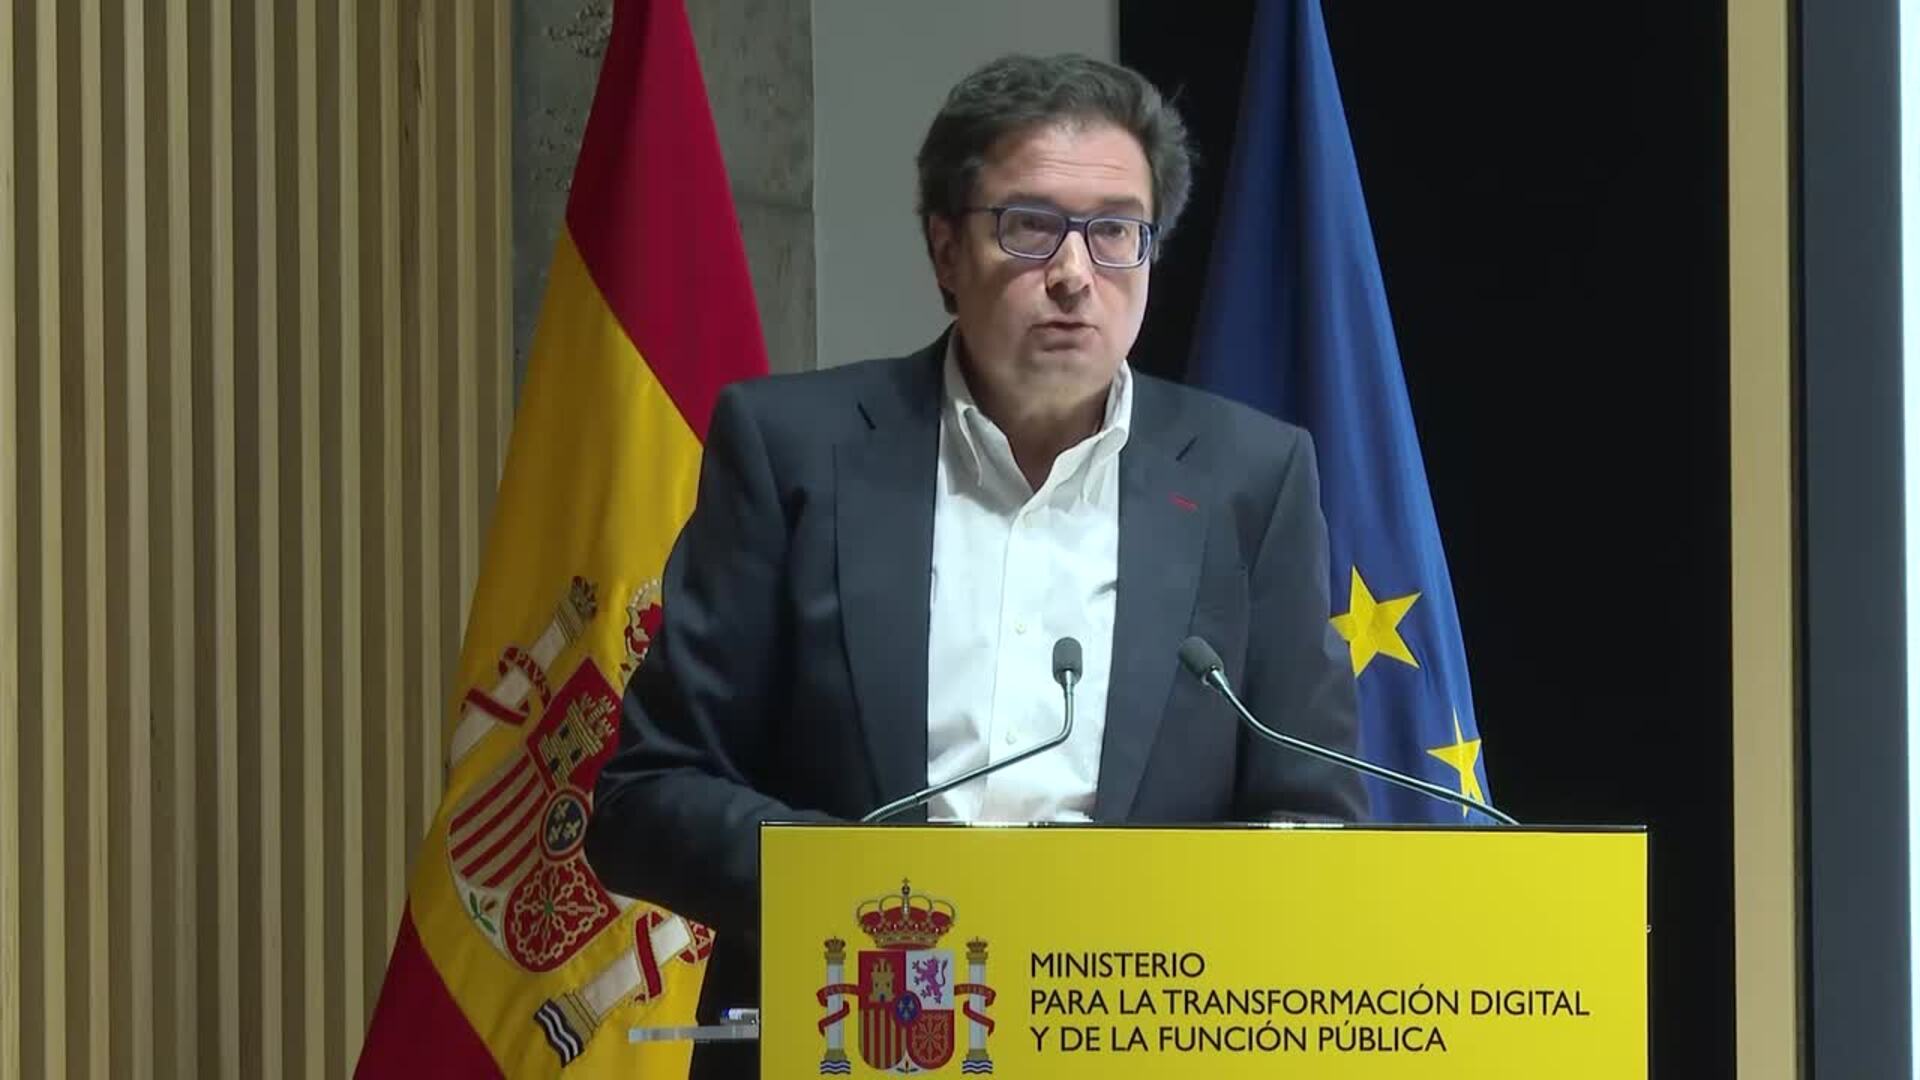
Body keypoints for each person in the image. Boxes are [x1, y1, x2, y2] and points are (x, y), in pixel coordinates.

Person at [584, 52, 1366, 1076]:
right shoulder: (794, 452)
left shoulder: (1250, 480)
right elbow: (648, 798)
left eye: (1116, 232)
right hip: (854, 1030)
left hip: (1134, 1042)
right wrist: (876, 888)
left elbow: (1311, 817)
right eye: (1029, 226)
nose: (1076, 274)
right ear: (946, 249)